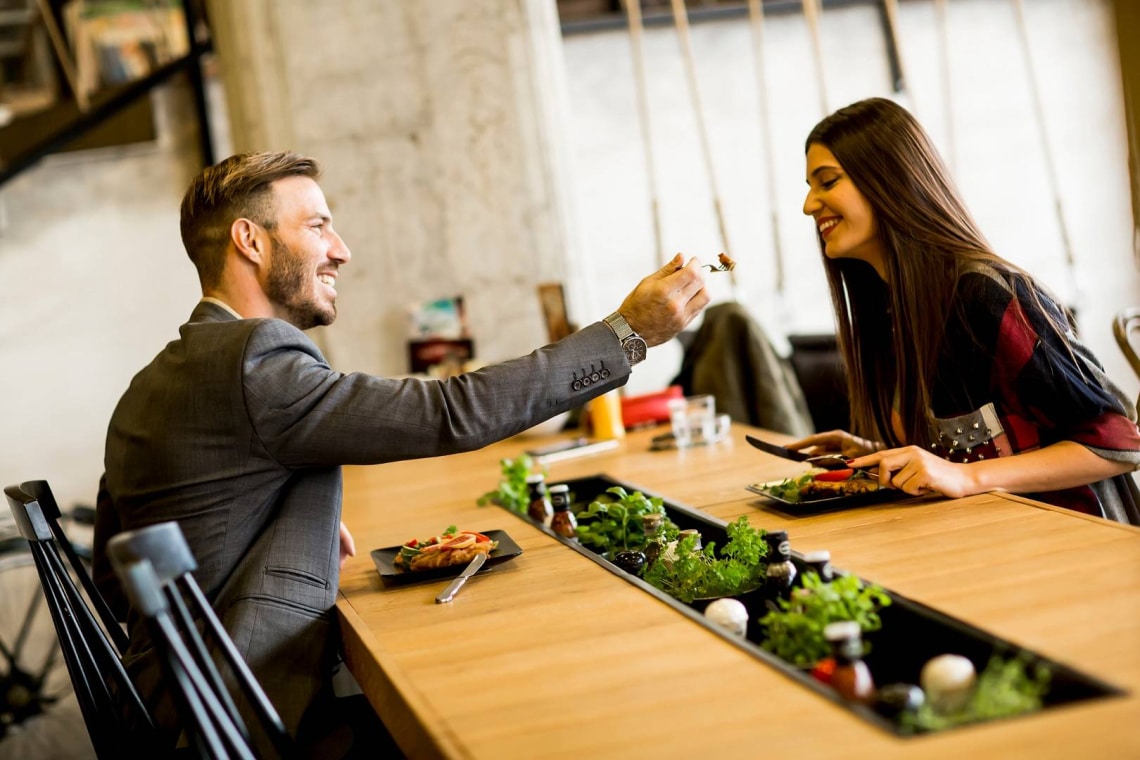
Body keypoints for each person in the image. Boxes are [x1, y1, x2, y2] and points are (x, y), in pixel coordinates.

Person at [92, 151, 710, 753]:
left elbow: (119, 586)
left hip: (169, 709)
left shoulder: (148, 387)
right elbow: (452, 413)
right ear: (250, 241)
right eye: (318, 226)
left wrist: (285, 523)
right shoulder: (256, 360)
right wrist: (627, 334)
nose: (341, 249)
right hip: (247, 723)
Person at [788, 97, 1140, 522]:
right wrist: (877, 456)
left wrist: (963, 477)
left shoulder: (984, 295)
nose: (809, 204)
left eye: (827, 182)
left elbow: (1118, 442)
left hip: (1070, 541)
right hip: (984, 536)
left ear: (889, 178)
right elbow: (975, 455)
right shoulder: (894, 308)